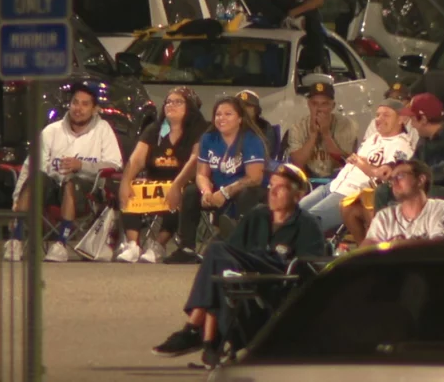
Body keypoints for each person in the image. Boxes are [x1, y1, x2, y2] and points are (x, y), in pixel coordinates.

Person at [151, 164, 324, 366]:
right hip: (244, 277)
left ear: (297, 195)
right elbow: (229, 254)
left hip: (276, 280)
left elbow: (311, 268)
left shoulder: (307, 224)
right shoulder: (257, 215)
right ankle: (209, 344)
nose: (273, 192)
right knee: (219, 258)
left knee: (218, 252)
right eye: (272, 186)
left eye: (281, 187)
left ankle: (194, 331)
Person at [4, 82, 123, 263]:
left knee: (70, 182)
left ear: (94, 109)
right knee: (36, 177)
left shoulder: (103, 130)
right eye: (75, 102)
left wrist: (81, 165)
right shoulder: (51, 131)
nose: (78, 108)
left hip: (86, 191)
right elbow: (30, 167)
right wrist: (15, 201)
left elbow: (115, 164)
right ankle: (16, 239)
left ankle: (61, 244)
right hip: (51, 187)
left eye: (85, 104)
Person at [165, 97, 268, 265]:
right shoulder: (208, 138)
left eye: (228, 114)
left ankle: (239, 245)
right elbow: (201, 174)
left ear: (240, 118)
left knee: (248, 194)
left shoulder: (251, 139)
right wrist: (206, 191)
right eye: (218, 114)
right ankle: (186, 248)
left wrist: (226, 192)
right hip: (217, 190)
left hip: (243, 190)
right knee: (191, 192)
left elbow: (254, 178)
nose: (222, 118)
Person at [116, 87, 208, 263]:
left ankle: (158, 245)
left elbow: (196, 160)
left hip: (183, 180)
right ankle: (133, 245)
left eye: (178, 102)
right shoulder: (154, 129)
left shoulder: (200, 130)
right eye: (168, 102)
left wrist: (176, 184)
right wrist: (126, 181)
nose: (171, 105)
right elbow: (136, 161)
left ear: (190, 107)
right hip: (155, 180)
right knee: (131, 187)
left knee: (181, 192)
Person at [299, 99, 414, 233]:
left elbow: (384, 178)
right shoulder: (374, 138)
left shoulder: (401, 146)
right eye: (377, 115)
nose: (379, 119)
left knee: (308, 223)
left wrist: (361, 164)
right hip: (334, 185)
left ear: (401, 119)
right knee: (291, 213)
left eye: (386, 115)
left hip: (350, 194)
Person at [374, 93, 444, 219]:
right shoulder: (425, 139)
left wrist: (416, 179)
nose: (412, 125)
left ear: (423, 119)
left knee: (419, 195)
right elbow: (413, 164)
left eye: (413, 119)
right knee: (383, 191)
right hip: (430, 189)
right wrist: (393, 168)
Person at [361, 160, 444, 247]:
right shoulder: (384, 216)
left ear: (420, 180)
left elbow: (442, 247)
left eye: (400, 176)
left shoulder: (439, 208)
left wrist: (397, 245)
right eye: (392, 179)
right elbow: (366, 251)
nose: (394, 182)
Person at [287, 81, 359, 179]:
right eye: (314, 103)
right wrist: (313, 135)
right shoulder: (298, 127)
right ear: (309, 104)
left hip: (338, 179)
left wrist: (326, 134)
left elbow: (344, 163)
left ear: (332, 106)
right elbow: (297, 164)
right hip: (307, 178)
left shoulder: (347, 125)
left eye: (324, 104)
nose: (319, 109)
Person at [362, 83, 419, 148]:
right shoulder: (377, 122)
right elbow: (366, 147)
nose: (394, 104)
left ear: (409, 103)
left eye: (400, 99)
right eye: (391, 99)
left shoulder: (415, 124)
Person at [235, 90, 279, 157]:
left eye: (248, 106)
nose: (244, 109)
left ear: (256, 109)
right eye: (240, 106)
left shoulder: (265, 127)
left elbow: (266, 152)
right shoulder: (227, 126)